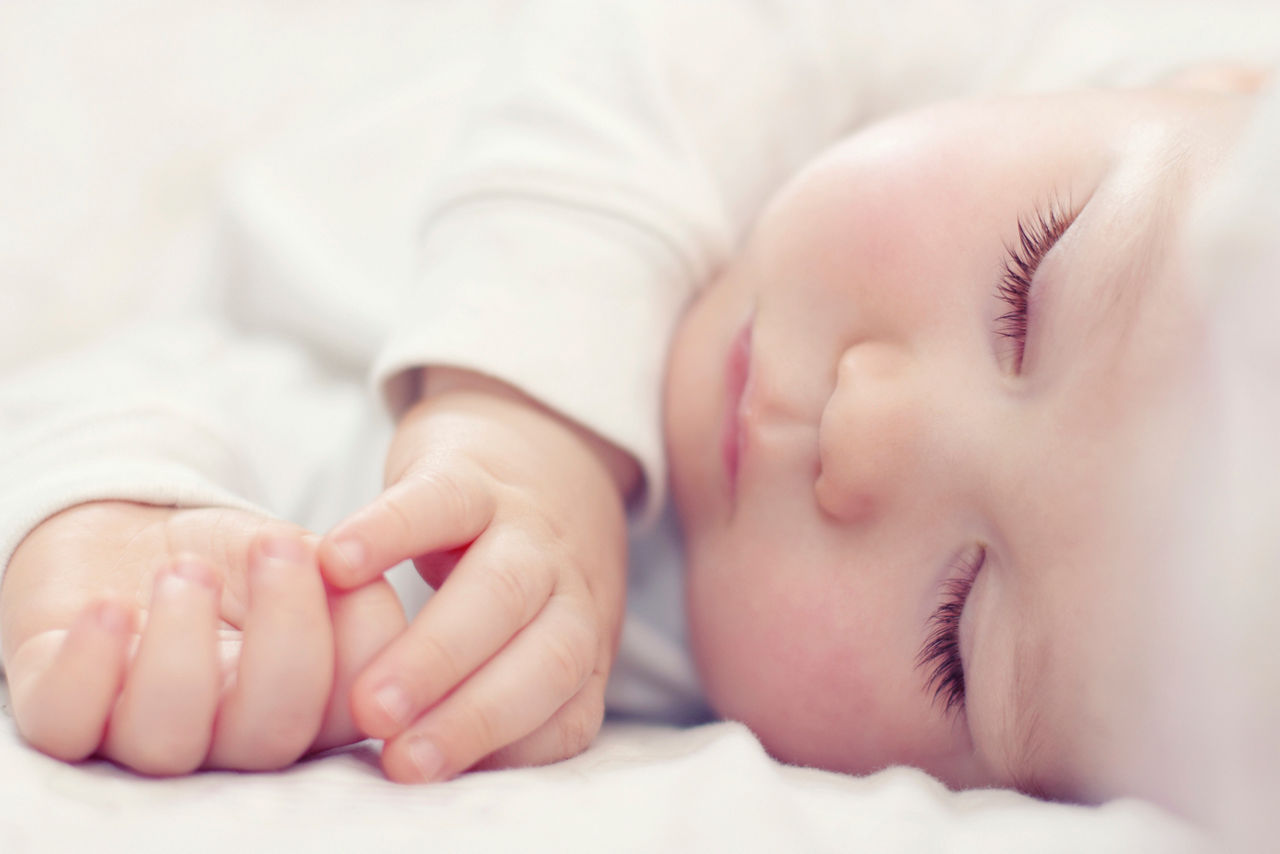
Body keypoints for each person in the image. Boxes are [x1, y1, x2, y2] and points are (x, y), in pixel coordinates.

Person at [0, 0, 1274, 825]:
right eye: (1024, 286)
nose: (859, 428)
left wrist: (144, 545)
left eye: (958, 630)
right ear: (1220, 77)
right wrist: (517, 420)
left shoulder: (639, 655)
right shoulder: (1046, 58)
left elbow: (229, 421)